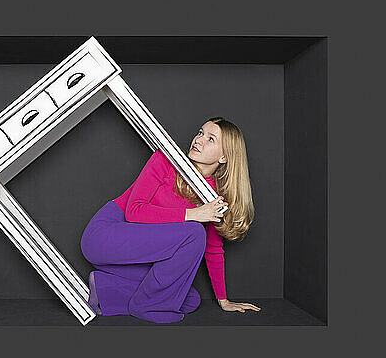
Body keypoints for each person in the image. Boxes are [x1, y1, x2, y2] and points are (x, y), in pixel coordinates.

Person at [80, 117, 261, 323]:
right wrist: (194, 214)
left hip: (129, 258)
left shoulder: (213, 196)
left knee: (189, 298)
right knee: (194, 232)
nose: (199, 140)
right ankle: (145, 308)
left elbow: (212, 249)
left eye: (211, 139)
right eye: (200, 132)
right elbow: (134, 211)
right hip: (104, 236)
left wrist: (223, 300)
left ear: (224, 157)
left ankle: (103, 288)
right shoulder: (166, 160)